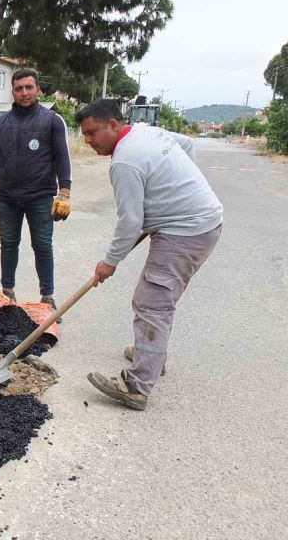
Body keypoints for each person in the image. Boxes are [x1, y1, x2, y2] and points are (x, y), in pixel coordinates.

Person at [76, 99, 223, 410]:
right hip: (203, 222)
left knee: (152, 303)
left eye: (92, 133)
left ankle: (137, 386)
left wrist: (109, 262)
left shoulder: (124, 162)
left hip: (184, 232)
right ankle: (152, 356)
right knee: (161, 300)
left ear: (114, 125)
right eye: (85, 135)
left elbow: (130, 221)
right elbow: (186, 143)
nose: (88, 141)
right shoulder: (145, 132)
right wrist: (176, 188)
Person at [0, 68, 72, 314]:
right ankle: (7, 293)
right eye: (19, 88)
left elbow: (62, 158)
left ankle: (47, 298)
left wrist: (65, 192)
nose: (24, 93)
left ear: (38, 89)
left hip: (40, 197)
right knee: (8, 243)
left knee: (42, 245)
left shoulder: (51, 121)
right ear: (13, 91)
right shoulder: (1, 124)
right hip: (7, 198)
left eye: (29, 87)